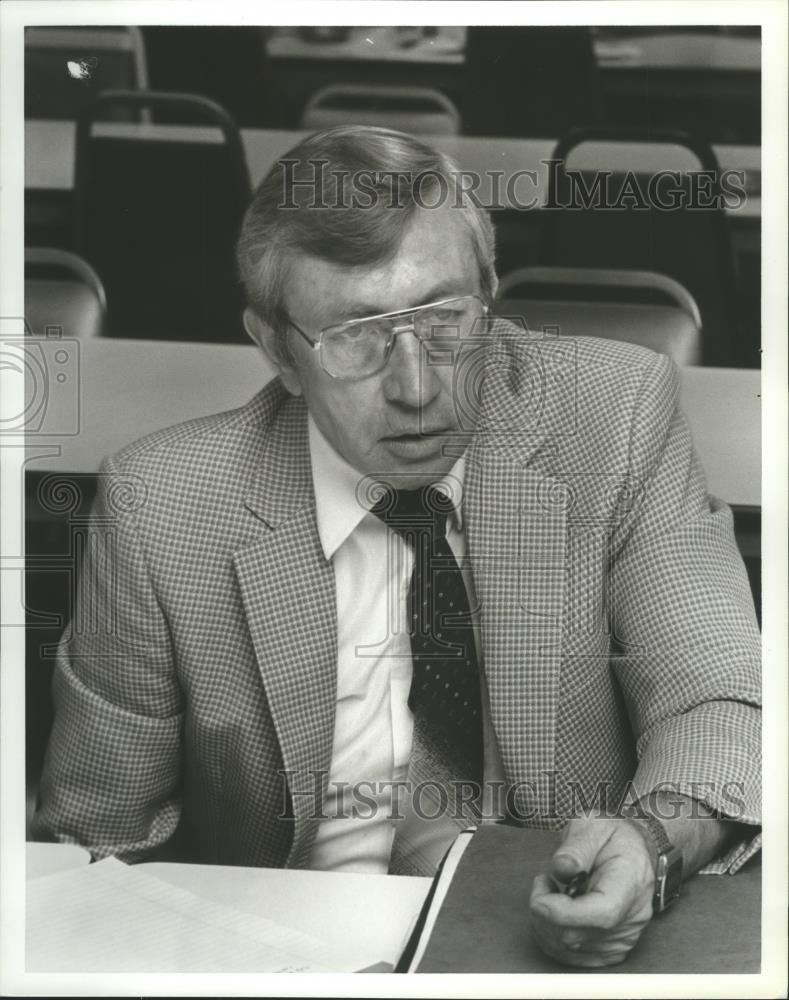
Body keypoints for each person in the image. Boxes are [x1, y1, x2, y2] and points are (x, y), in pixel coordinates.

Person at [32, 126, 761, 968]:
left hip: (558, 947)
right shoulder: (161, 506)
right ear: (275, 348)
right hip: (277, 960)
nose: (417, 389)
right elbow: (97, 847)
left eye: (447, 320)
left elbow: (719, 697)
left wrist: (651, 842)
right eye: (356, 336)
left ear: (490, 293)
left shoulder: (616, 416)